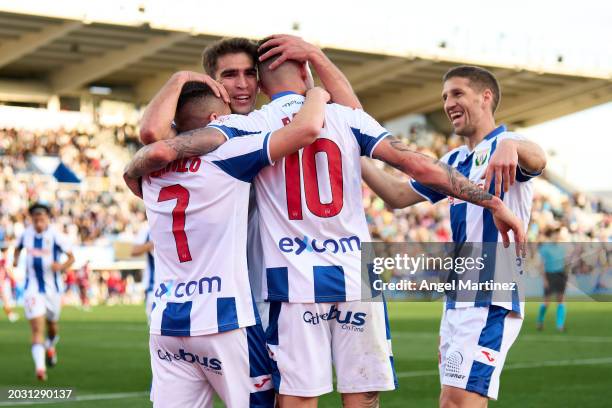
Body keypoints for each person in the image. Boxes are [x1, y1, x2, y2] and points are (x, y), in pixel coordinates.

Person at [125, 45, 526, 407]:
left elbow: (160, 143)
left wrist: (137, 166)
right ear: (306, 74)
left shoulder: (247, 127)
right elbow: (418, 165)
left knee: (297, 400)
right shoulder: (346, 117)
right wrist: (491, 201)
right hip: (355, 278)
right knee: (362, 396)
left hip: (290, 283)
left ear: (262, 84)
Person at [125, 83, 331, 407]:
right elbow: (306, 130)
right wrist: (317, 94)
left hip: (167, 320)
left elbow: (140, 163)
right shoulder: (229, 154)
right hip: (225, 319)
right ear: (217, 118)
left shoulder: (149, 173)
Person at [138, 35, 364, 331]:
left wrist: (315, 57)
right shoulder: (207, 132)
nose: (242, 84)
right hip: (225, 294)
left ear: (260, 81)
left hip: (283, 282)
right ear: (212, 82)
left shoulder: (270, 124)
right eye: (229, 75)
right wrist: (181, 78)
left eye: (249, 73)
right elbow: (152, 135)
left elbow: (357, 121)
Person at [360, 65, 546, 407]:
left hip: (491, 291)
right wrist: (356, 155)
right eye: (445, 96)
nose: (448, 103)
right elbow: (398, 196)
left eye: (457, 93)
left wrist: (510, 144)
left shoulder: (508, 144)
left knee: (460, 402)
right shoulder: (455, 158)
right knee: (451, 402)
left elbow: (537, 158)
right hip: (459, 296)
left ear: (485, 97)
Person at [13, 202, 75, 381]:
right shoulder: (26, 234)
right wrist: (16, 260)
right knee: (36, 328)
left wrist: (61, 266)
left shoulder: (56, 236)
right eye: (35, 220)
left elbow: (72, 258)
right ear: (31, 220)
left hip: (53, 290)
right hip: (32, 289)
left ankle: (50, 346)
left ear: (47, 218)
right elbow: (17, 248)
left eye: (41, 219)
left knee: (53, 328)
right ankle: (40, 368)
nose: (38, 223)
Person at [536, 227, 568, 332]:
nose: (557, 236)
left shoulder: (562, 247)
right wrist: (545, 279)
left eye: (558, 234)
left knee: (561, 300)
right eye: (555, 234)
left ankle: (560, 325)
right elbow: (541, 265)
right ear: (551, 235)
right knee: (547, 302)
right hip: (549, 275)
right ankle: (540, 321)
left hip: (561, 275)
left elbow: (565, 263)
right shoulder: (545, 248)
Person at [131, 225, 156, 321]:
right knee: (156, 329)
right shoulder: (147, 229)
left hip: (177, 286)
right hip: (154, 287)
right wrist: (151, 244)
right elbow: (134, 250)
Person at [0, 244, 19, 322]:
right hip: (3, 283)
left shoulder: (2, 261)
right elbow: (8, 271)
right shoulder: (5, 261)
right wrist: (14, 279)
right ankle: (11, 315)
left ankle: (10, 315)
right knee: (6, 300)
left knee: (5, 300)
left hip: (3, 282)